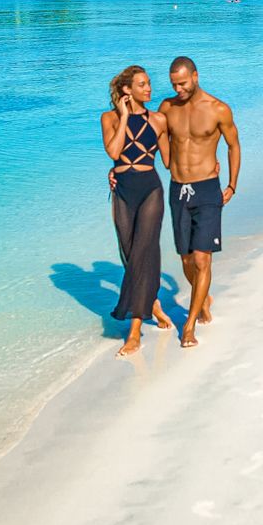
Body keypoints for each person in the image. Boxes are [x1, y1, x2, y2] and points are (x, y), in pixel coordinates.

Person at [159, 56, 242, 348]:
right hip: (178, 189)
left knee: (201, 258)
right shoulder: (167, 108)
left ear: (195, 76)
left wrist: (232, 184)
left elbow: (233, 145)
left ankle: (190, 324)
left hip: (207, 189)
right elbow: (150, 138)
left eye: (182, 83)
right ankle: (201, 297)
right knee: (185, 258)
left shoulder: (218, 109)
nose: (178, 88)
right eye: (173, 84)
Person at [99, 65, 172, 356]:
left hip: (150, 189)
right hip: (123, 192)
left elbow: (169, 161)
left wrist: (206, 164)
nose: (149, 89)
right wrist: (126, 116)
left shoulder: (159, 120)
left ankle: (134, 331)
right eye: (141, 85)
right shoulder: (109, 118)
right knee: (129, 254)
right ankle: (152, 301)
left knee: (144, 250)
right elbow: (114, 153)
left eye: (149, 83)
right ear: (127, 90)